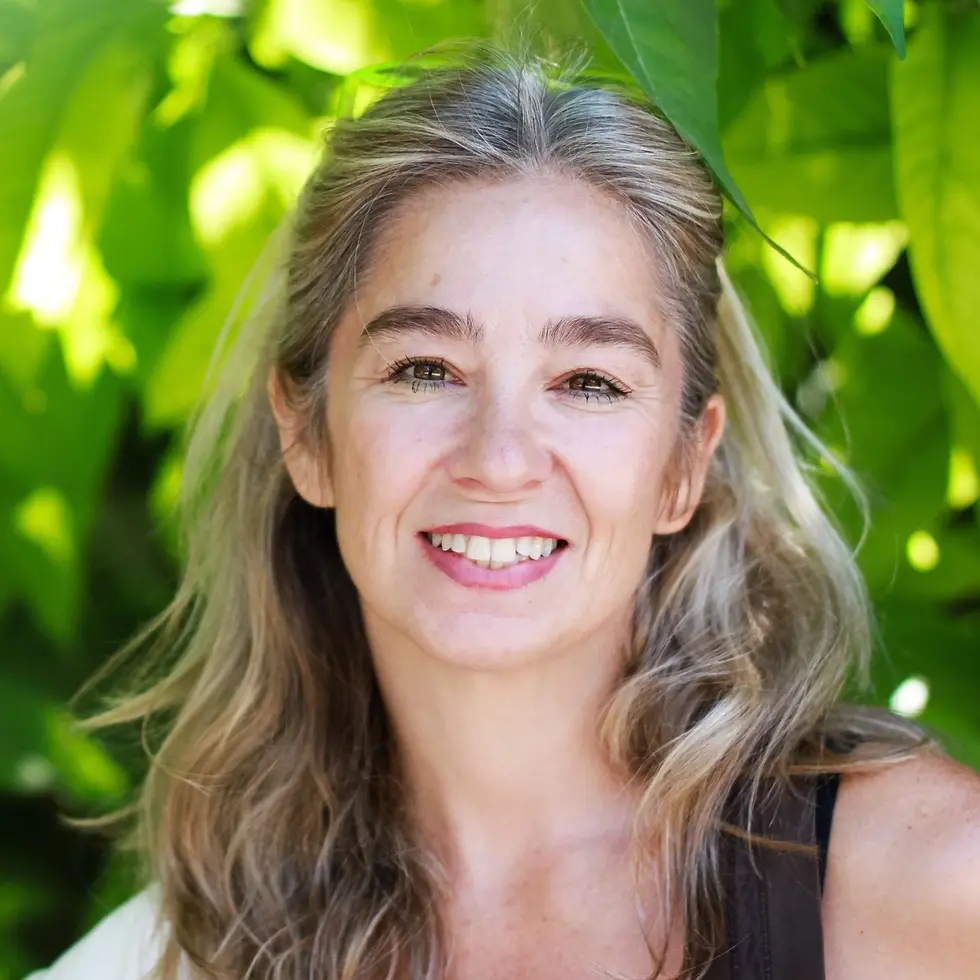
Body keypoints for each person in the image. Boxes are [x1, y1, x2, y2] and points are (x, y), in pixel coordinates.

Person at [26, 47, 980, 980]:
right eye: (425, 371)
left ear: (685, 465)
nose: (499, 461)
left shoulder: (924, 881)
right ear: (305, 433)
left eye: (590, 382)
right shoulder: (192, 952)